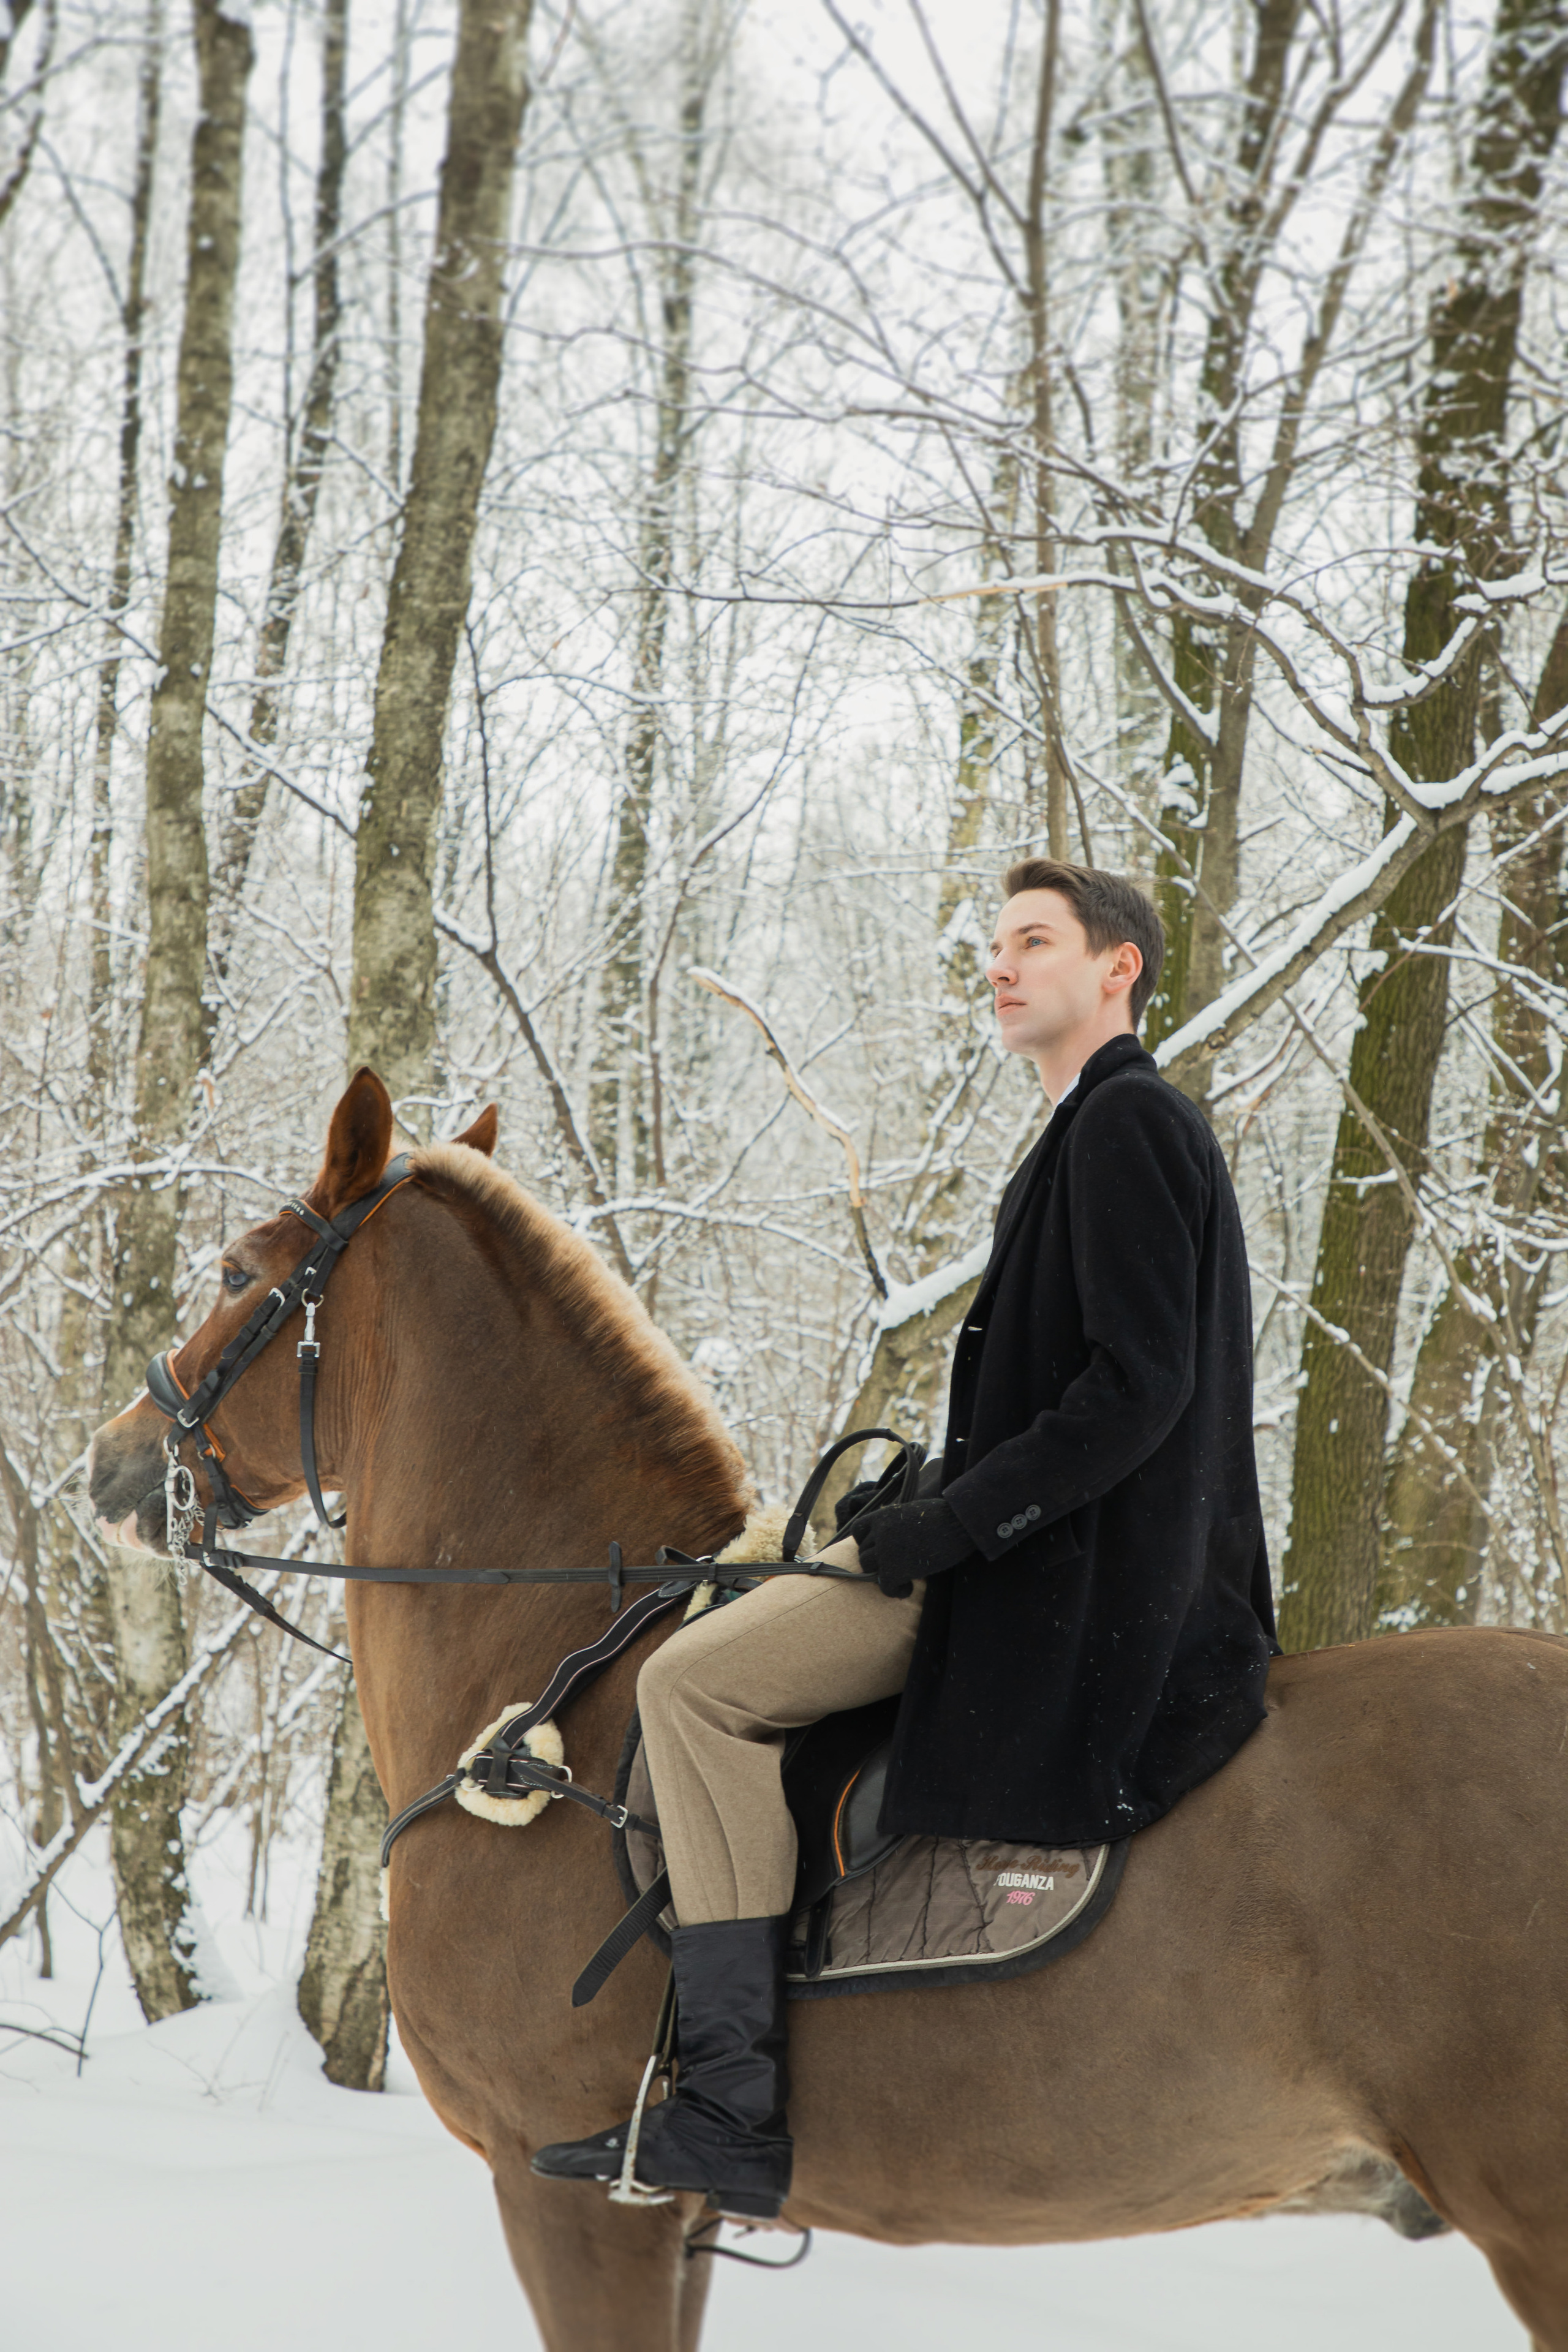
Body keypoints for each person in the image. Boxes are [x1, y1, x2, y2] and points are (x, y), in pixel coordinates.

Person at [532, 858, 1280, 2218]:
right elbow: (1062, 1395)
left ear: (1116, 967)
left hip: (1060, 1577)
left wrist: (948, 1527)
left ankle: (730, 2107)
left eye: (1031, 942)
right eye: (990, 945)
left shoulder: (1128, 1125)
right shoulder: (1085, 1132)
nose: (996, 965)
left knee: (688, 1685)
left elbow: (1136, 1390)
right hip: (1027, 1542)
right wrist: (920, 1488)